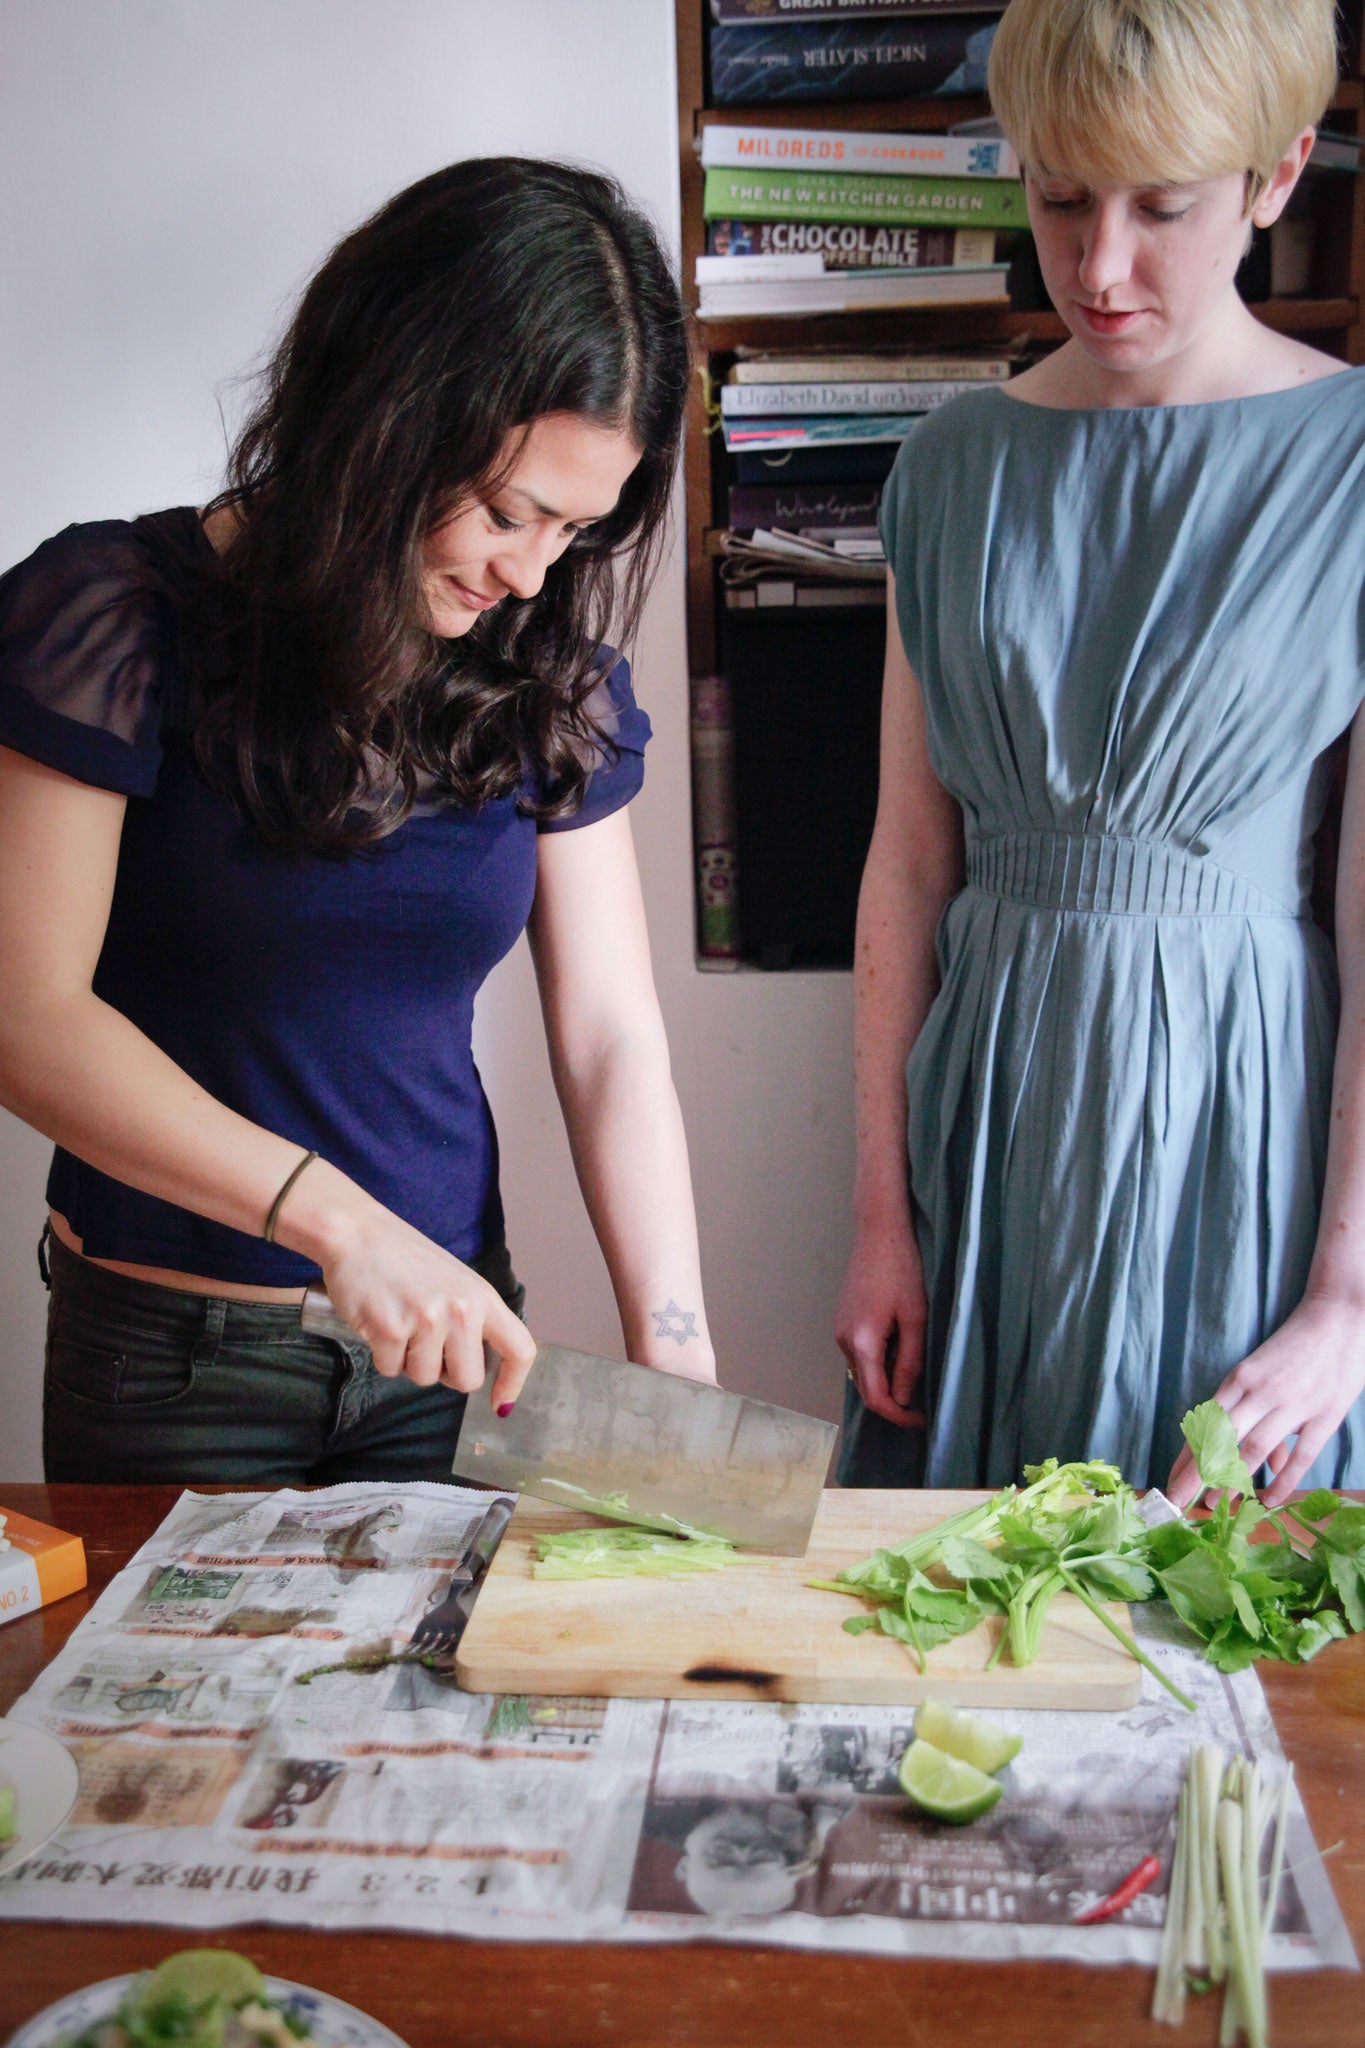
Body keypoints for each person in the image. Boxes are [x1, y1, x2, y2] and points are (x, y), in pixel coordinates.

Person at [0, 157, 715, 1486]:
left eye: (572, 531)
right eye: (506, 512)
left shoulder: (544, 672)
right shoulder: (109, 615)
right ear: (387, 418)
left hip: (448, 1363)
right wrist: (335, 1221)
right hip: (172, 1361)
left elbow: (610, 1034)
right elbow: (24, 1018)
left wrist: (672, 1346)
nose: (527, 574)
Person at [835, 0, 1365, 1509]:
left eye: (1163, 207)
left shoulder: (1352, 464)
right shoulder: (946, 469)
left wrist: (1346, 1299)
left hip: (1237, 1125)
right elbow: (908, 858)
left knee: (1221, 1652)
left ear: (1276, 176)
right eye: (1058, 198)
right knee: (964, 1632)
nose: (1099, 266)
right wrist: (881, 1213)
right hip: (992, 1127)